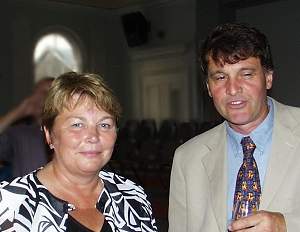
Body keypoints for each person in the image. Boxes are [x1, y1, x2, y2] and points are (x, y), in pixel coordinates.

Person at [169, 22, 300, 232]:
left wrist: (286, 225)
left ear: (268, 78)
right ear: (209, 88)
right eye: (220, 77)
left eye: (246, 74)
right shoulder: (187, 158)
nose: (232, 88)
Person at [0, 72, 158, 232]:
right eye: (77, 124)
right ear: (49, 135)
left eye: (104, 125)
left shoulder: (133, 194)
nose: (93, 137)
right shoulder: (9, 205)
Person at [0, 77, 54, 179]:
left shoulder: (72, 131)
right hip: (27, 193)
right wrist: (19, 111)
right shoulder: (19, 132)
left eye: (49, 92)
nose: (42, 97)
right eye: (38, 93)